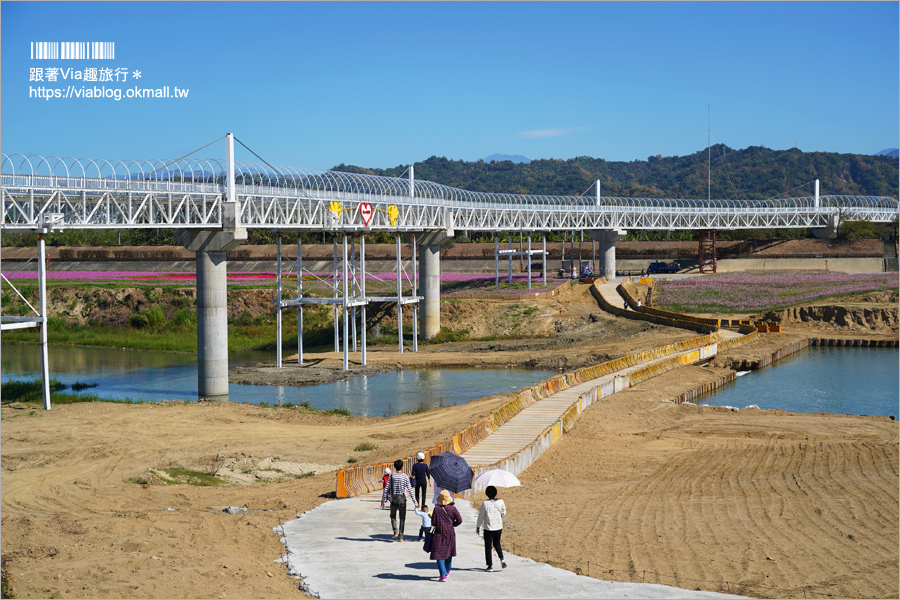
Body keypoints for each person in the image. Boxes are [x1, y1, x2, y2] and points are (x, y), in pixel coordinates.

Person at [380, 459, 417, 541]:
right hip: (402, 500)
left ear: (394, 467)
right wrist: (415, 502)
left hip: (393, 500)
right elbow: (410, 490)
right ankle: (401, 537)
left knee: (393, 516)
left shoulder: (391, 476)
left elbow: (386, 488)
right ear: (402, 466)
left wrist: (383, 500)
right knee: (402, 518)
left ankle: (395, 531)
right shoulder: (405, 476)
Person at [430, 489, 462, 582]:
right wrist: (453, 524)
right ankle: (447, 571)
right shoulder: (453, 509)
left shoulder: (436, 509)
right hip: (450, 534)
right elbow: (460, 520)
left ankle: (442, 574)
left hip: (439, 534)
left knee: (438, 555)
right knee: (449, 553)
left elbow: (433, 523)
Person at [476, 485, 508, 572]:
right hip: (498, 527)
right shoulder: (501, 501)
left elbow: (481, 516)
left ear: (486, 494)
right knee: (497, 543)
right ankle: (502, 559)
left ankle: (490, 566)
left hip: (488, 528)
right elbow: (504, 512)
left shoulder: (485, 503)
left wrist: (478, 526)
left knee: (488, 546)